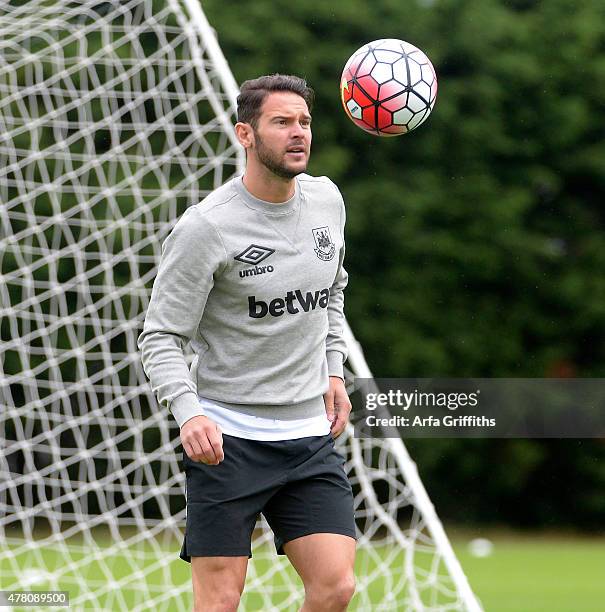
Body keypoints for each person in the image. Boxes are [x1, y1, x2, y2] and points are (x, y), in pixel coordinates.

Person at [138, 74, 356, 612]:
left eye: (304, 122)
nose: (298, 133)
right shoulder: (205, 228)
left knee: (335, 587)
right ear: (245, 134)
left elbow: (332, 292)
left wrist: (333, 369)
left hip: (308, 436)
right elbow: (161, 336)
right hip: (228, 440)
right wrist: (189, 414)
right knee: (220, 602)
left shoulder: (327, 201)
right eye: (281, 122)